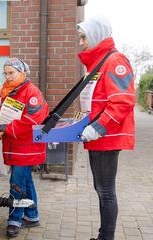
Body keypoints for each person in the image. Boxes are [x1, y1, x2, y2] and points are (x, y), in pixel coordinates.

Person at [77, 16, 135, 240]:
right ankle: (104, 235)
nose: (81, 42)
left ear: (96, 35)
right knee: (101, 189)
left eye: (84, 37)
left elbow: (122, 101)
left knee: (106, 192)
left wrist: (97, 127)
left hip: (106, 136)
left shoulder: (114, 61)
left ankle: (107, 238)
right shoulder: (99, 62)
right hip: (98, 137)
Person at [0, 58, 49, 238]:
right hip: (16, 147)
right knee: (25, 182)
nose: (8, 76)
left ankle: (14, 220)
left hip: (27, 148)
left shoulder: (31, 92)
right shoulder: (9, 92)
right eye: (5, 73)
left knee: (16, 184)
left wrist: (5, 127)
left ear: (22, 73)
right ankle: (31, 216)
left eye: (11, 73)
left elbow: (32, 122)